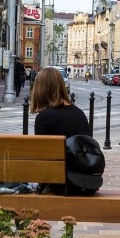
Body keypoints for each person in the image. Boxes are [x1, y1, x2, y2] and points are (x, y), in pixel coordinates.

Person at [30, 67, 98, 196]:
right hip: (87, 181)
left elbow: (44, 159)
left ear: (39, 89)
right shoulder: (78, 112)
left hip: (62, 184)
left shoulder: (44, 117)